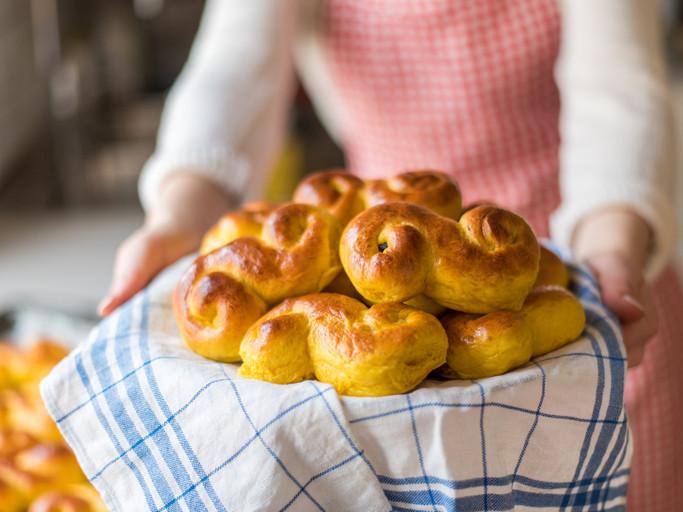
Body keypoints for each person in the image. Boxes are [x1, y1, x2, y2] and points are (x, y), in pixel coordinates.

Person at [99, 1, 682, 509]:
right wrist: (179, 215)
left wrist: (612, 241)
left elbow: (619, 86)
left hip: (572, 268)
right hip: (374, 261)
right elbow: (233, 67)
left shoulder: (586, 271)